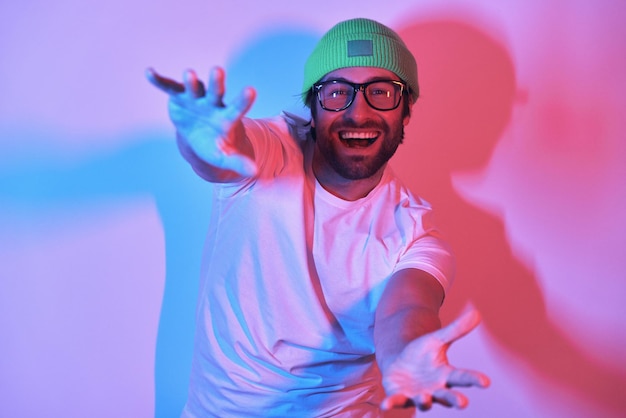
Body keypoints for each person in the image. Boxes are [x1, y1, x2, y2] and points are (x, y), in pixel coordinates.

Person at [146, 17, 489, 417]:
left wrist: (406, 355)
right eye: (337, 92)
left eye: (381, 92)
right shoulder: (270, 152)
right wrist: (201, 145)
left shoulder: (415, 232)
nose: (358, 113)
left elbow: (406, 309)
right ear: (312, 107)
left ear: (406, 111)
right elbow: (226, 156)